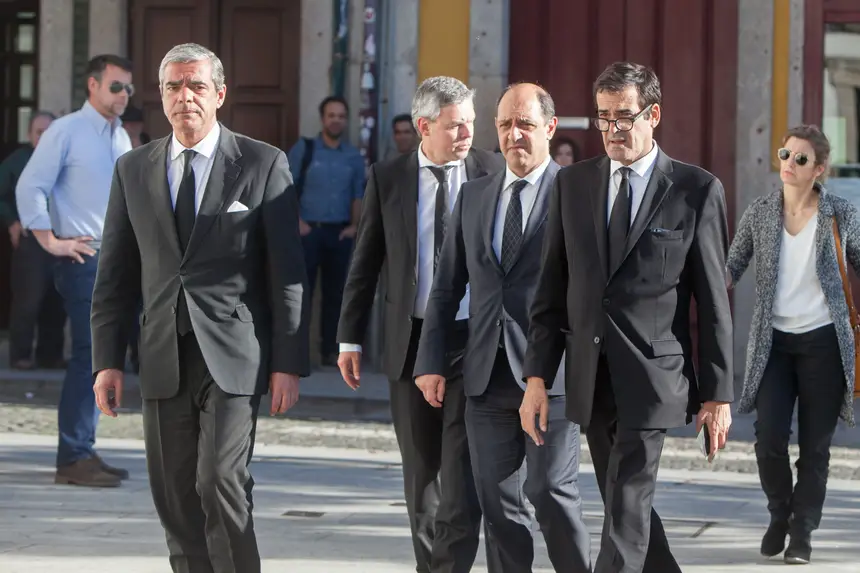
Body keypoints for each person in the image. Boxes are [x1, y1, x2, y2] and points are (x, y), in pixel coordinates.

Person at [90, 42, 308, 573]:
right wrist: (106, 360)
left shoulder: (262, 162)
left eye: (196, 86)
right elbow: (115, 274)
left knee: (219, 480)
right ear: (161, 95)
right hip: (162, 352)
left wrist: (288, 362)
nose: (185, 96)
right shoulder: (132, 169)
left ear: (219, 95)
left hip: (234, 355)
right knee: (175, 495)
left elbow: (287, 272)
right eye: (173, 86)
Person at [519, 61, 734, 573]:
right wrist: (537, 378)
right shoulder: (572, 185)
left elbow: (713, 300)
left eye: (624, 116)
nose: (612, 128)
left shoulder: (696, 190)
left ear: (652, 115)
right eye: (603, 117)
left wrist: (718, 394)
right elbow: (551, 291)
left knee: (626, 509)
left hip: (654, 377)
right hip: (591, 377)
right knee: (624, 503)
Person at [413, 83, 591, 573]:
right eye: (506, 124)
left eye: (526, 125)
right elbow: (446, 287)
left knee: (550, 491)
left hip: (552, 376)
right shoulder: (474, 196)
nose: (514, 135)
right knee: (497, 506)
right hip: (485, 375)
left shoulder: (577, 194)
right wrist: (430, 361)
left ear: (550, 128)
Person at [336, 76, 503, 573]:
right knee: (422, 471)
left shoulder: (493, 171)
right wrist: (349, 337)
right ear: (424, 126)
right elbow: (366, 261)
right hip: (411, 340)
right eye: (455, 126)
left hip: (473, 340)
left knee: (461, 471)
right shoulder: (388, 177)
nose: (467, 134)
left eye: (471, 123)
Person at [727, 125, 857, 565]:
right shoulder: (761, 212)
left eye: (801, 159)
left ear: (818, 169)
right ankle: (779, 513)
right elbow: (732, 265)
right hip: (775, 345)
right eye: (785, 154)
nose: (789, 164)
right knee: (768, 439)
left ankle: (802, 532)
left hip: (825, 344)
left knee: (815, 449)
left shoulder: (840, 214)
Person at [16, 54, 134, 487]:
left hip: (115, 261)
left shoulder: (120, 136)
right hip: (83, 259)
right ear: (93, 85)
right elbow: (30, 186)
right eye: (116, 86)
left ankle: (83, 447)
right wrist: (50, 241)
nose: (124, 95)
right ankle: (72, 456)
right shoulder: (66, 131)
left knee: (103, 357)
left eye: (128, 88)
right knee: (90, 357)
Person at [287, 96, 364, 368]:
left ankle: (330, 352)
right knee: (302, 294)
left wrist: (354, 226)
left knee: (336, 295)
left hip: (339, 234)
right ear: (323, 119)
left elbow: (358, 194)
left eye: (341, 116)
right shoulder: (305, 149)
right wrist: (297, 222)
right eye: (331, 115)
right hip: (308, 232)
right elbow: (286, 186)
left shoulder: (353, 156)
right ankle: (298, 353)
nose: (336, 120)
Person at [0, 111, 66, 371]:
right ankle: (20, 355)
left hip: (62, 237)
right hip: (31, 239)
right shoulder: (18, 161)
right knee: (28, 300)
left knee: (57, 301)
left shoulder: (65, 160)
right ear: (29, 135)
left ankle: (50, 356)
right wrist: (11, 221)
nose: (44, 137)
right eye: (39, 132)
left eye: (49, 132)